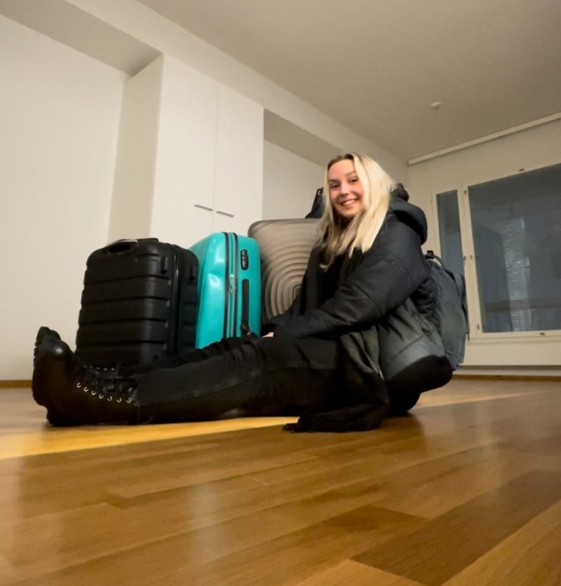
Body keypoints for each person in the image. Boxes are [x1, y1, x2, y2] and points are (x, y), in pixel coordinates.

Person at [32, 153, 431, 432]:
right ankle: (95, 379)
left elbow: (360, 306)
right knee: (236, 345)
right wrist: (274, 329)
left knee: (262, 358)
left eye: (353, 180)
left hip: (370, 365)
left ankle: (107, 400)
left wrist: (282, 337)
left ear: (375, 182)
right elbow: (306, 308)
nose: (342, 190)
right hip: (343, 348)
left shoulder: (397, 233)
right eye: (333, 185)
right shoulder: (335, 241)